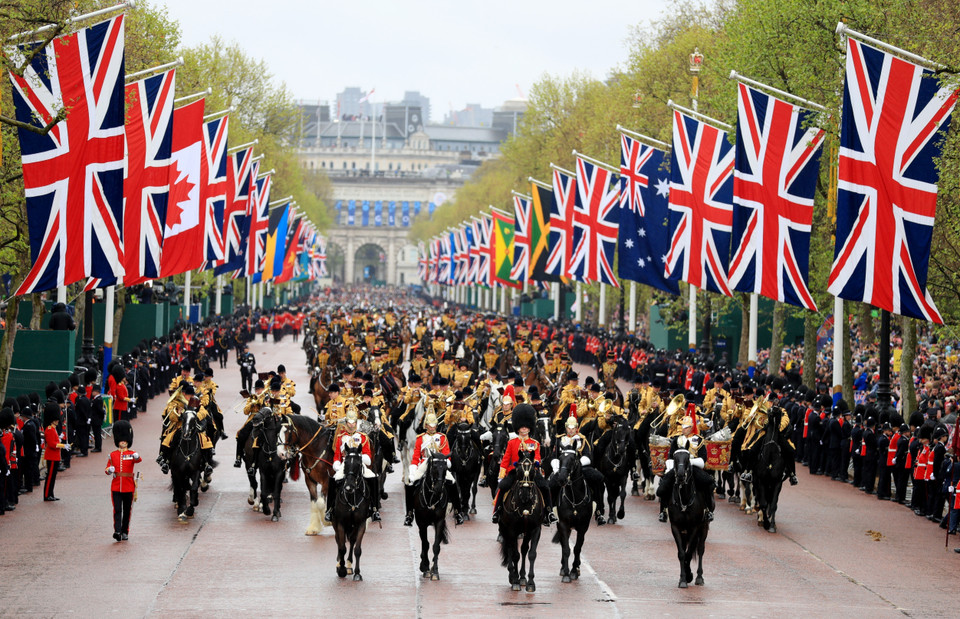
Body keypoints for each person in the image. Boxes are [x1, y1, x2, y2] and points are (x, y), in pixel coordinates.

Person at [492, 403, 554, 526]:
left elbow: (537, 457)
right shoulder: (512, 442)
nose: (524, 428)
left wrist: (536, 463)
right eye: (522, 426)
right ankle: (497, 511)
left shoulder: (535, 443)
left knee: (545, 488)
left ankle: (549, 512)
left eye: (526, 426)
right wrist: (502, 474)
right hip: (515, 472)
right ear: (518, 427)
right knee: (503, 487)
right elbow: (505, 459)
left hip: (531, 472)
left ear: (530, 427)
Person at [403, 411, 464, 526]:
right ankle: (409, 513)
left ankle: (458, 511)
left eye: (434, 425)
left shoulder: (442, 437)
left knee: (452, 482)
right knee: (410, 484)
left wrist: (446, 463)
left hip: (439, 463)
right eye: (430, 426)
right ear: (426, 426)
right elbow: (416, 456)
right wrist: (413, 469)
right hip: (425, 463)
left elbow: (446, 453)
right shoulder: (421, 438)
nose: (432, 428)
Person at [655, 415, 716, 523]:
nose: (683, 429)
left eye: (686, 427)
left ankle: (708, 510)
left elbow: (703, 458)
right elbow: (670, 457)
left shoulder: (699, 440)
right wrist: (670, 468)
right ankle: (663, 511)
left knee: (709, 482)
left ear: (691, 427)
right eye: (682, 426)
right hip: (677, 467)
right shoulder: (676, 440)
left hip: (694, 467)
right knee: (664, 486)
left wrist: (689, 462)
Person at [550, 415, 606, 525]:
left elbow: (588, 456)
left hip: (580, 469)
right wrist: (556, 468)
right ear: (566, 428)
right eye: (569, 428)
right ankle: (550, 511)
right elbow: (554, 456)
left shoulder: (582, 439)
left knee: (599, 479)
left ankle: (599, 511)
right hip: (563, 469)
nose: (571, 430)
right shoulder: (559, 439)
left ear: (576, 428)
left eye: (573, 428)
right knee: (551, 484)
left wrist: (578, 465)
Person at [329, 407, 380, 522]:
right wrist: (337, 464)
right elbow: (337, 454)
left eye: (353, 423)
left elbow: (368, 455)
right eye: (349, 423)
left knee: (373, 478)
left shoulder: (363, 437)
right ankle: (330, 509)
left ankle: (375, 508)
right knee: (333, 479)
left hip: (360, 463)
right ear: (346, 423)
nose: (351, 426)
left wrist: (359, 458)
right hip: (345, 464)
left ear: (356, 423)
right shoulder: (340, 437)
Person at [105, 420, 141, 541]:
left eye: (125, 441)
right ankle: (117, 531)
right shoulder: (112, 454)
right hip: (116, 486)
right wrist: (109, 470)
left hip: (128, 486)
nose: (123, 442)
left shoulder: (131, 454)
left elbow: (138, 460)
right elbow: (107, 469)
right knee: (117, 510)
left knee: (126, 510)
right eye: (121, 440)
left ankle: (125, 531)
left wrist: (137, 456)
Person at [42, 403, 68, 501]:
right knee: (50, 476)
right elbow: (52, 444)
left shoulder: (53, 429)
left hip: (55, 456)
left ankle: (51, 494)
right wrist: (63, 445)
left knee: (53, 477)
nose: (58, 421)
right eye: (57, 419)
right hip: (51, 456)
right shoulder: (49, 429)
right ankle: (46, 495)